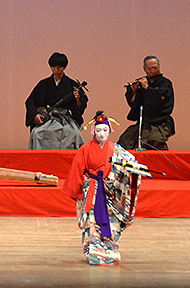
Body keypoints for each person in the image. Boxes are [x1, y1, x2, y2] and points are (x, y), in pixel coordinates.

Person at [63, 111, 142, 266]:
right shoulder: (85, 149)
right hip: (91, 190)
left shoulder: (115, 148)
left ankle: (110, 248)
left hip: (109, 191)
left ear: (109, 130)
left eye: (104, 130)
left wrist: (134, 168)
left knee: (111, 220)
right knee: (92, 221)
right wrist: (79, 190)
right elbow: (77, 169)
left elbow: (130, 161)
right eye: (98, 130)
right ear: (93, 131)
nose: (101, 134)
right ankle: (93, 250)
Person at [25, 52, 88, 149]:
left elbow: (81, 105)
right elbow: (31, 101)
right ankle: (40, 161)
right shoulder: (44, 84)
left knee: (74, 133)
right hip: (49, 118)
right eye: (53, 67)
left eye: (59, 67)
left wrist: (78, 99)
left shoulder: (72, 84)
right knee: (37, 133)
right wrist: (35, 116)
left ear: (64, 67)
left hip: (65, 119)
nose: (56, 70)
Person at [118, 56, 174, 150]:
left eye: (155, 68)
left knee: (153, 142)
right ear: (144, 69)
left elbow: (159, 99)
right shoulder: (142, 83)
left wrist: (147, 88)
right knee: (125, 141)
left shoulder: (165, 83)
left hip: (160, 123)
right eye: (149, 68)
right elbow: (135, 104)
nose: (153, 71)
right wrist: (134, 93)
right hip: (143, 122)